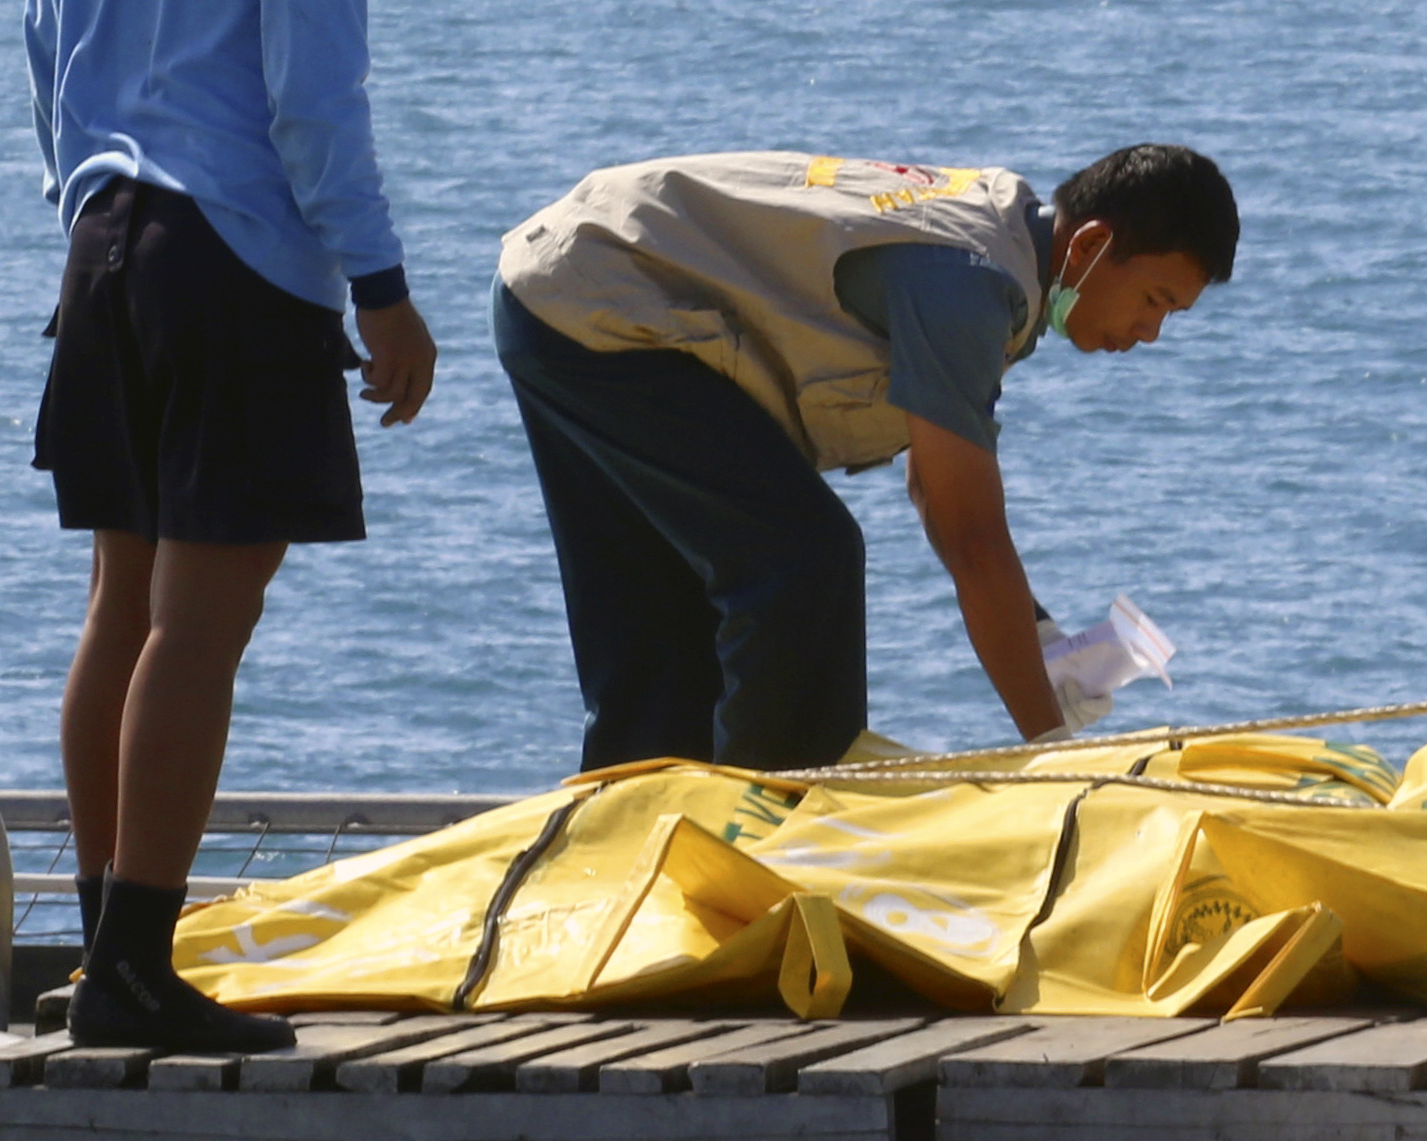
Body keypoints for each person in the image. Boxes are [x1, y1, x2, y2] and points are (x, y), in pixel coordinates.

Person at [25, 0, 438, 1053]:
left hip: (106, 231)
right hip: (234, 253)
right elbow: (311, 84)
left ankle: (100, 954)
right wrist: (380, 286)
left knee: (118, 609)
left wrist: (82, 203)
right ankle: (140, 967)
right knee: (199, 626)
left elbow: (46, 28)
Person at [490, 145, 1238, 770]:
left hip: (561, 293)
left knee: (665, 627)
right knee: (802, 560)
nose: (1150, 333)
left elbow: (931, 484)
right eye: (1154, 299)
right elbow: (971, 532)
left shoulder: (1005, 251)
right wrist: (1054, 752)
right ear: (1090, 246)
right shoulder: (970, 288)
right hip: (601, 303)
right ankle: (775, 826)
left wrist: (1041, 641)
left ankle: (630, 841)